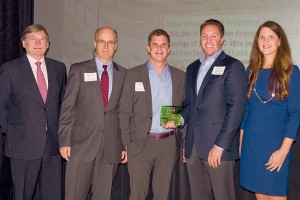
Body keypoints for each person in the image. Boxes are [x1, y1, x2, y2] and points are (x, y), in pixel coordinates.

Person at [181, 19, 247, 200]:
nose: (208, 40)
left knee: (223, 196)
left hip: (218, 149)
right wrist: (179, 119)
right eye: (204, 36)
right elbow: (190, 104)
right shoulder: (192, 67)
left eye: (213, 36)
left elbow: (236, 109)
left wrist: (220, 146)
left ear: (222, 39)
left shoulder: (233, 66)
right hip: (193, 148)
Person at [58, 26, 127, 200]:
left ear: (116, 46)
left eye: (110, 42)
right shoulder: (78, 70)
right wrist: (65, 140)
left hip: (111, 147)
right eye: (102, 42)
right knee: (74, 195)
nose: (106, 46)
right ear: (94, 44)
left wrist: (124, 144)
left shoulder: (124, 74)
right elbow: (68, 108)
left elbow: (124, 113)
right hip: (81, 146)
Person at [0, 24, 66, 200]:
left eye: (42, 38)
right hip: (22, 145)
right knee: (22, 195)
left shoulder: (59, 68)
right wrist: (15, 131)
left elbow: (63, 104)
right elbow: (2, 105)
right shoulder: (10, 69)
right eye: (32, 38)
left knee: (54, 195)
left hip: (53, 145)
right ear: (23, 43)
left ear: (48, 43)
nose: (38, 42)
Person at [118, 29, 185, 200]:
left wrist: (184, 143)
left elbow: (186, 108)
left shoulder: (179, 76)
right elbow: (124, 112)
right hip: (140, 143)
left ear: (169, 49)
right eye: (155, 44)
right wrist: (126, 143)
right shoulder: (133, 74)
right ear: (148, 48)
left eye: (163, 45)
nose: (159, 48)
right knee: (138, 194)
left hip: (168, 143)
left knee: (162, 195)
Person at [239, 21, 300, 200]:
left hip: (276, 144)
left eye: (271, 37)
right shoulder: (251, 70)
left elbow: (296, 114)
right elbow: (247, 110)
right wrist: (242, 144)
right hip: (252, 145)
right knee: (260, 195)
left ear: (279, 41)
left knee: (276, 195)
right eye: (262, 37)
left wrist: (283, 151)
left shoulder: (291, 72)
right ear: (257, 42)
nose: (266, 41)